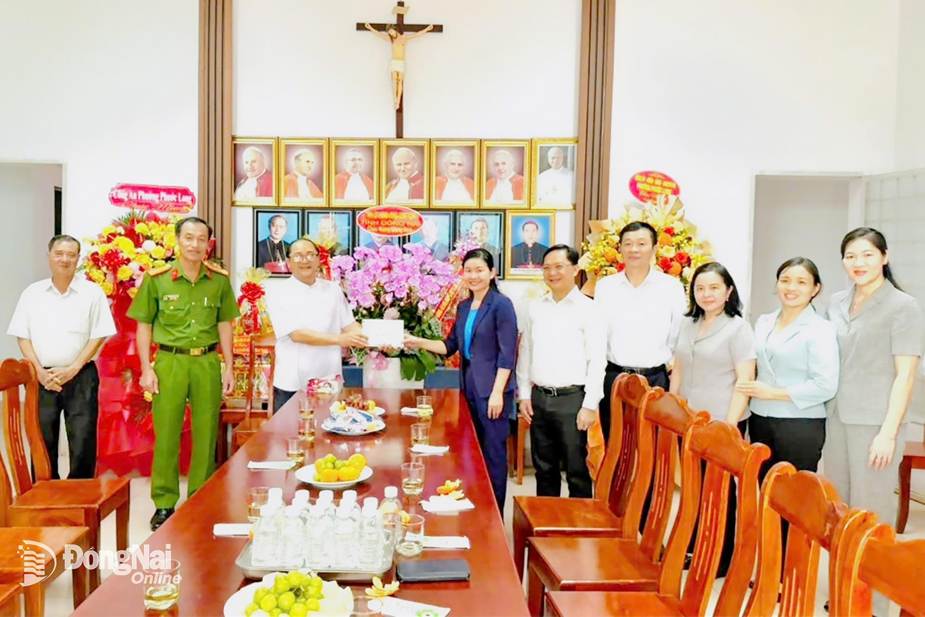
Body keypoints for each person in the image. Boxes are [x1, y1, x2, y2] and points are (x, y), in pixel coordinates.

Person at [128, 216, 239, 530]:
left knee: (206, 434)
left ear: (208, 244)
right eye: (189, 237)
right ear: (178, 240)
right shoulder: (158, 279)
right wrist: (146, 368)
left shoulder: (218, 280)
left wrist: (229, 366)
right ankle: (164, 503)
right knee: (166, 434)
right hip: (169, 362)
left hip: (206, 362)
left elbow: (225, 324)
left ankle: (199, 499)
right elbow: (144, 325)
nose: (195, 244)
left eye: (201, 239)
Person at [405, 248, 517, 511]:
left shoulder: (501, 304)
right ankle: (476, 509)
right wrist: (417, 341)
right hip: (469, 387)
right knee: (471, 452)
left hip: (493, 392)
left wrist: (497, 392)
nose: (473, 276)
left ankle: (495, 516)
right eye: (468, 271)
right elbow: (450, 346)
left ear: (492, 273)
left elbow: (507, 353)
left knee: (493, 456)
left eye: (479, 270)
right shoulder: (464, 306)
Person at [670, 261, 756, 577]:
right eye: (700, 288)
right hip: (690, 420)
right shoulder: (688, 324)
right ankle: (694, 546)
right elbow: (678, 368)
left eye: (714, 288)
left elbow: (745, 380)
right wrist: (673, 408)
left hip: (722, 419)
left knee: (721, 491)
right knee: (694, 486)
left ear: (728, 291)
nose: (707, 294)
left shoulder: (738, 328)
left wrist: (729, 428)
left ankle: (722, 556)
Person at [7, 235, 116, 479]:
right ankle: (45, 491)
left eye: (71, 254)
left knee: (83, 439)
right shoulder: (32, 293)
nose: (65, 259)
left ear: (78, 258)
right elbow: (22, 336)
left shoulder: (92, 293)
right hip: (41, 377)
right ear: (49, 256)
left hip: (81, 375)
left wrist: (74, 368)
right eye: (59, 254)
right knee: (42, 439)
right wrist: (39, 372)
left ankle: (80, 493)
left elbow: (98, 335)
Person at [516, 244, 605, 497]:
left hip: (573, 400)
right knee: (544, 469)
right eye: (547, 268)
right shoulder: (535, 307)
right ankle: (546, 520)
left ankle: (579, 522)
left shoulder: (590, 309)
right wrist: (524, 394)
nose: (552, 273)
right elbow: (526, 351)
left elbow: (597, 360)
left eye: (559, 267)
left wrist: (590, 405)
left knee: (577, 470)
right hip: (540, 398)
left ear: (575, 270)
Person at [739, 257, 838, 476]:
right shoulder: (764, 321)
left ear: (815, 289)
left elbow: (825, 386)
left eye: (801, 282)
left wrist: (773, 393)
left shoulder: (821, 329)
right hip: (759, 418)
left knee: (793, 491)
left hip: (799, 424)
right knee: (763, 486)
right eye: (785, 280)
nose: (791, 287)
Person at [593, 221, 686, 439]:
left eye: (641, 243)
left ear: (654, 249)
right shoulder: (605, 287)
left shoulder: (671, 287)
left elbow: (678, 335)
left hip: (655, 380)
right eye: (628, 244)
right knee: (615, 444)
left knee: (653, 445)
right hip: (615, 378)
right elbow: (598, 338)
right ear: (620, 248)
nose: (634, 249)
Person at [265, 238, 367, 412]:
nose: (305, 260)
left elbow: (350, 326)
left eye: (310, 254)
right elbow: (297, 335)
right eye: (298, 256)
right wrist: (340, 339)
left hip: (329, 381)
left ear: (319, 259)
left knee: (329, 427)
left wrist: (380, 338)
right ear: (288, 262)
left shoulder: (333, 289)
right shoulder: (278, 292)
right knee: (291, 429)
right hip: (292, 384)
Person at [363, 21, 435, 110]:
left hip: (401, 62)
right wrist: (370, 28)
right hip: (394, 62)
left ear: (395, 29)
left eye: (391, 31)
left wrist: (427, 29)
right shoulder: (391, 39)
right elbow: (379, 35)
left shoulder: (404, 38)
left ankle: (398, 101)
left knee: (400, 81)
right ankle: (395, 100)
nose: (391, 34)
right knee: (394, 81)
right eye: (389, 33)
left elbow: (417, 35)